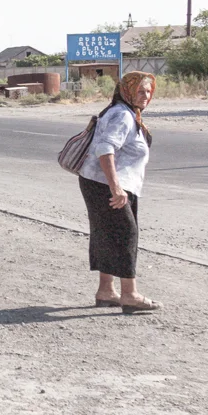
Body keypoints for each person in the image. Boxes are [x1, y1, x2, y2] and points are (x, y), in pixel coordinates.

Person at [78, 70, 159, 312]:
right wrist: (115, 188)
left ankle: (106, 291)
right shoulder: (122, 115)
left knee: (107, 235)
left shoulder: (125, 112)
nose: (145, 96)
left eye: (148, 91)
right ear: (127, 91)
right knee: (126, 234)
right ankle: (130, 294)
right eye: (140, 91)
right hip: (109, 184)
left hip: (103, 182)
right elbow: (105, 149)